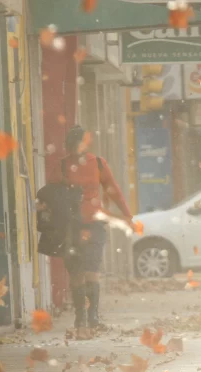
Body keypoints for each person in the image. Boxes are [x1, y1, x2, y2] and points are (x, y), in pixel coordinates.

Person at [57, 125, 133, 338]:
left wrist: (127, 214)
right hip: (71, 226)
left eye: (79, 144)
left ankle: (93, 315)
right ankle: (80, 315)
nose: (76, 150)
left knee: (92, 269)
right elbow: (53, 195)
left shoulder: (98, 163)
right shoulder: (63, 166)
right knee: (75, 272)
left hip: (94, 224)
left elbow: (113, 188)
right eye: (72, 146)